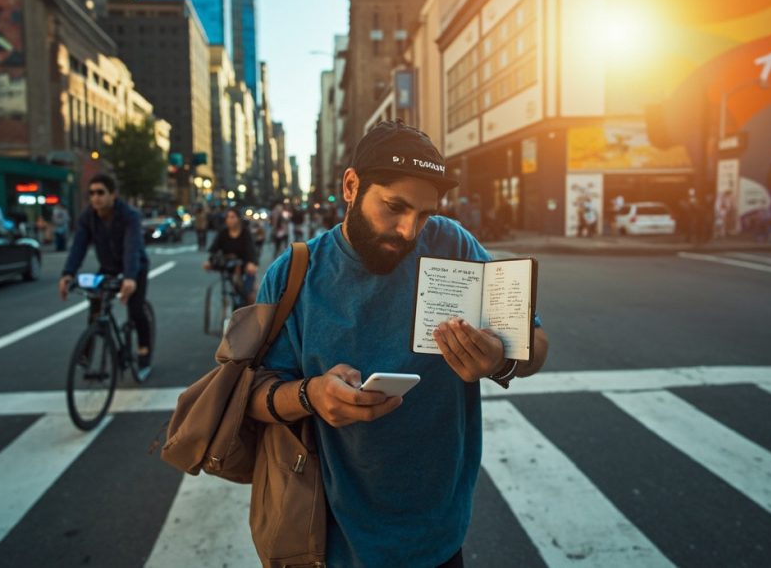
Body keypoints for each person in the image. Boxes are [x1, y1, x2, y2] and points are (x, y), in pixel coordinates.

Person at [248, 120, 549, 567]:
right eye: (394, 207)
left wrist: (499, 359)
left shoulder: (454, 245)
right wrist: (311, 395)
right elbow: (251, 395)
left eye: (424, 214)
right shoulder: (294, 276)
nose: (409, 230)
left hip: (438, 532)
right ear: (351, 186)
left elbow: (536, 344)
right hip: (330, 536)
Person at [58, 174, 153, 375]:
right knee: (95, 308)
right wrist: (68, 273)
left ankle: (144, 349)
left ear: (113, 195)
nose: (95, 198)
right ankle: (86, 353)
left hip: (135, 268)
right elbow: (78, 247)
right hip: (108, 268)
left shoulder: (129, 216)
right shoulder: (87, 218)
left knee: (136, 310)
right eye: (91, 193)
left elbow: (132, 247)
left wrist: (129, 277)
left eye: (100, 192)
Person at [203, 206, 259, 305]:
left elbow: (251, 251)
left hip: (244, 265)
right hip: (228, 265)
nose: (229, 219)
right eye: (228, 217)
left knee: (248, 294)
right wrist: (209, 261)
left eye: (233, 217)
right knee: (231, 289)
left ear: (238, 219)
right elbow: (214, 249)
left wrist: (251, 263)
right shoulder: (223, 233)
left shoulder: (245, 233)